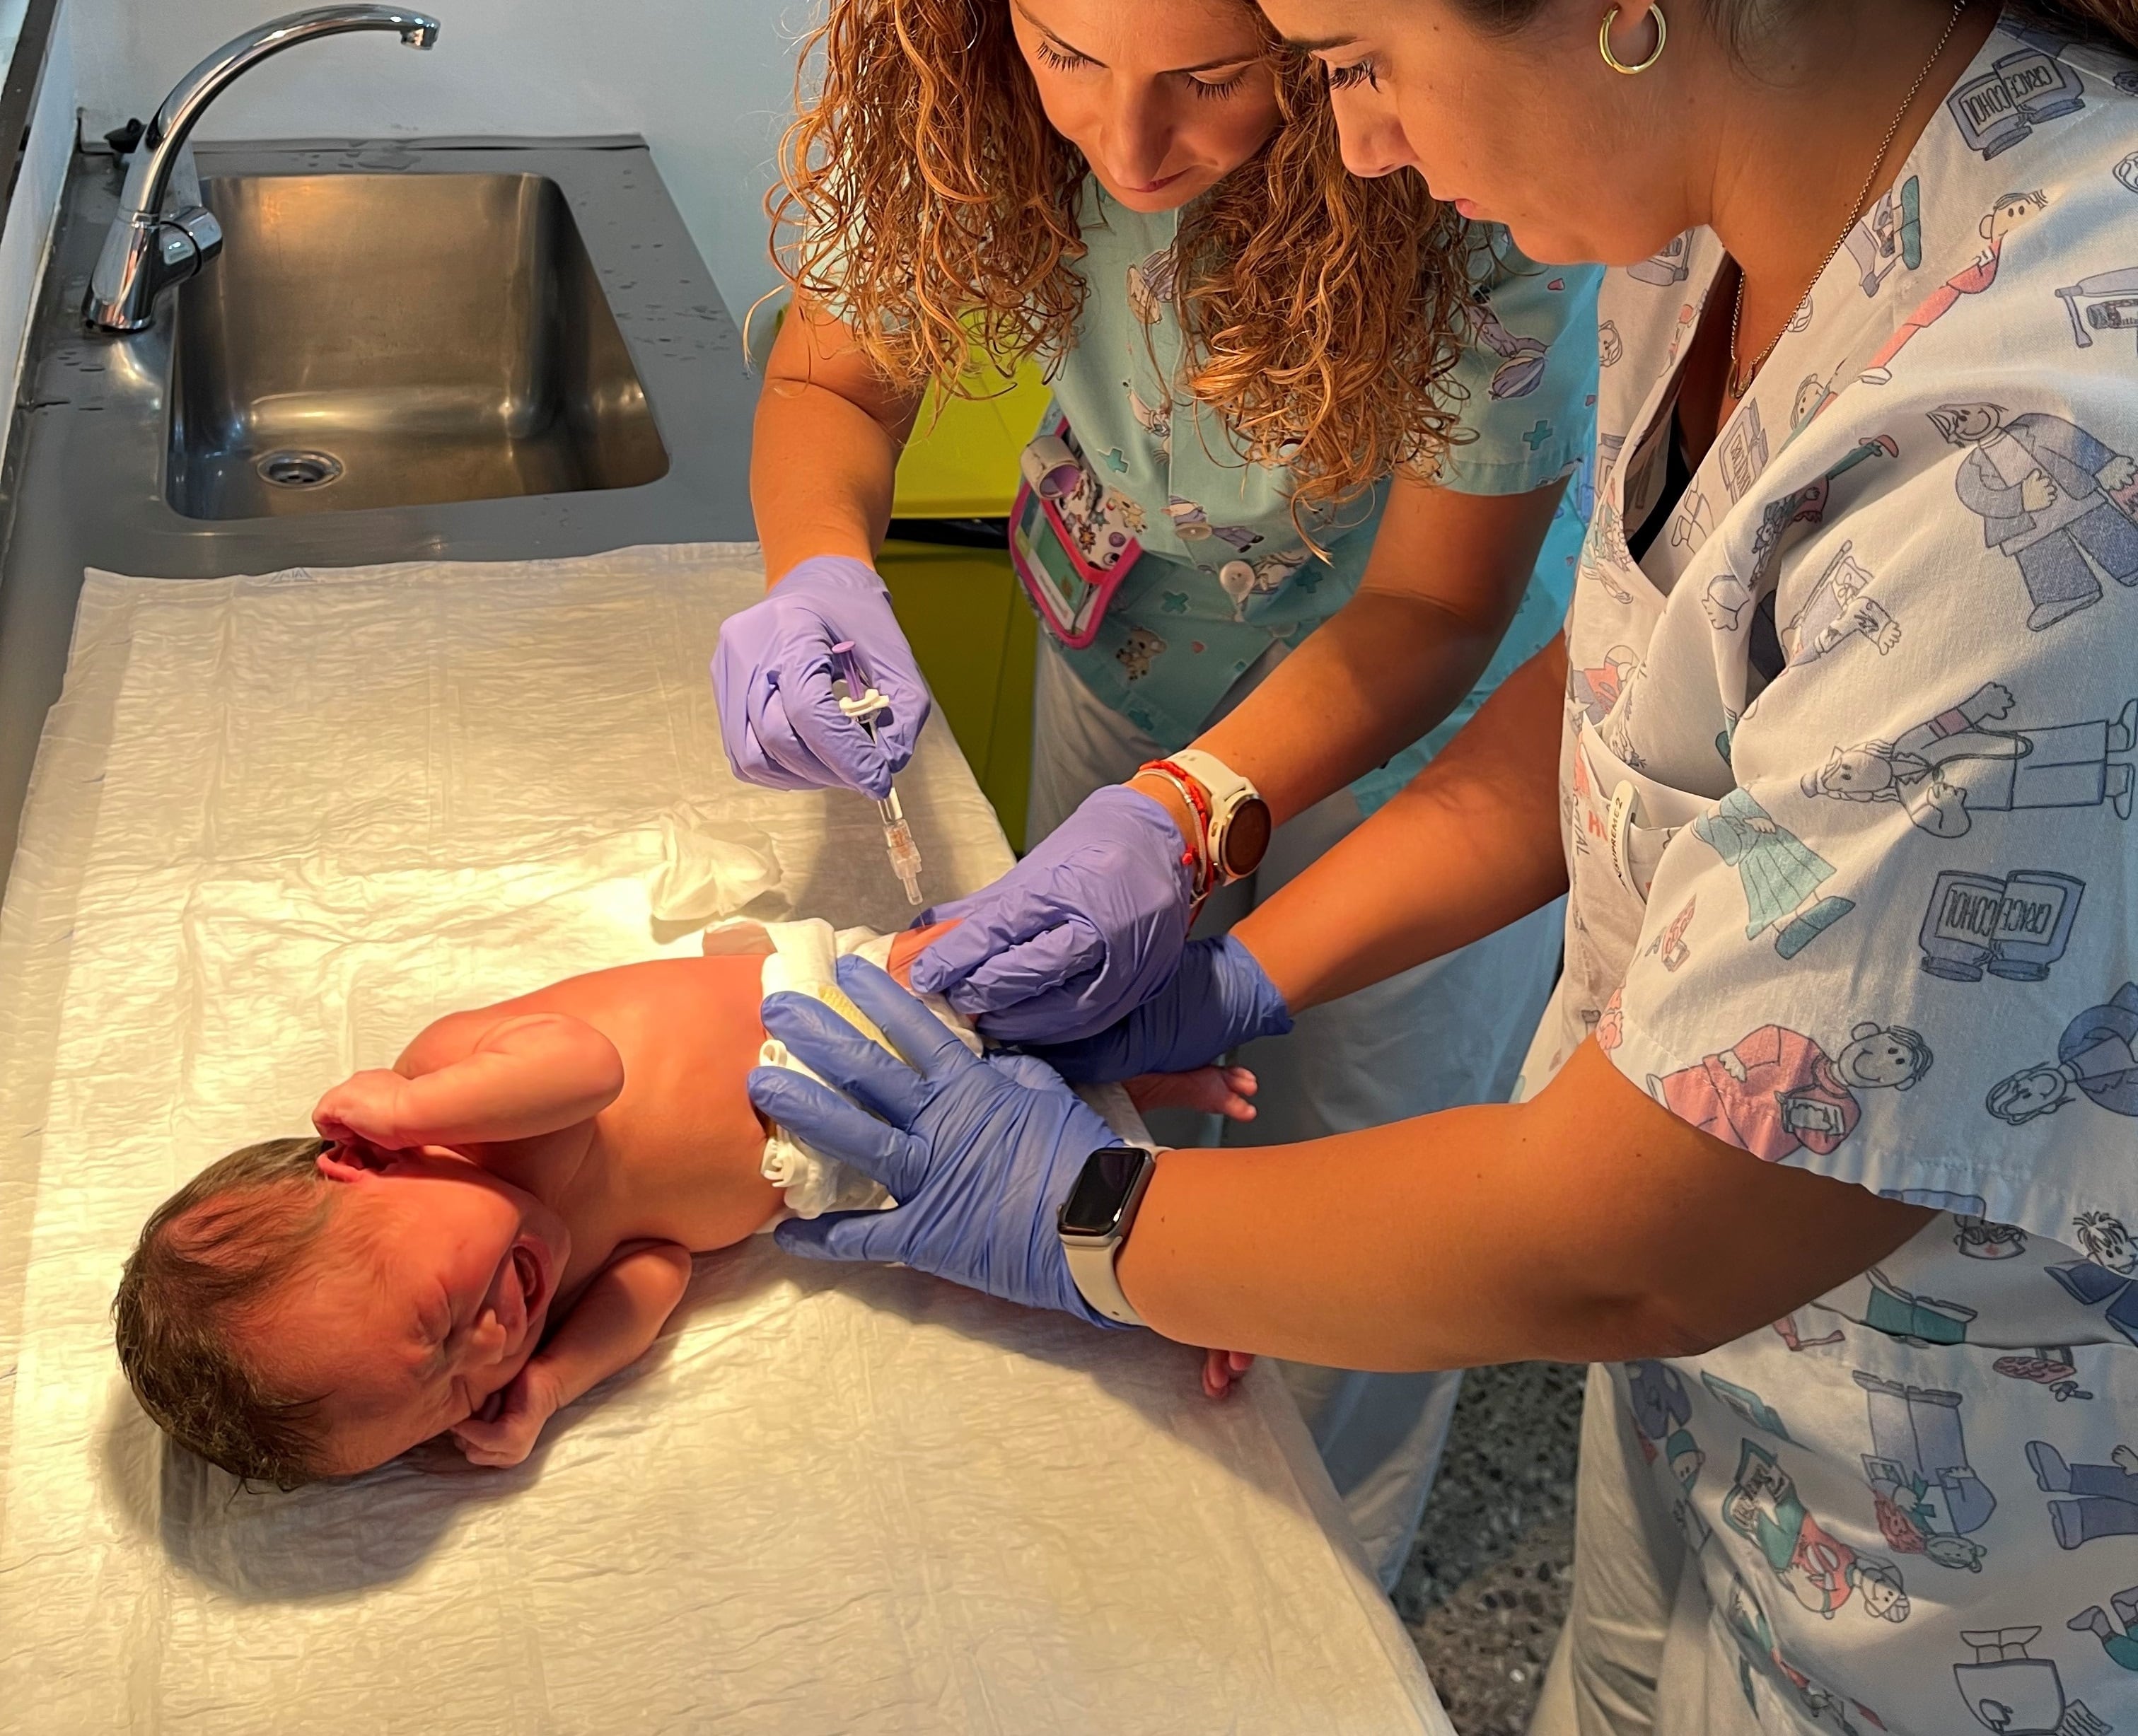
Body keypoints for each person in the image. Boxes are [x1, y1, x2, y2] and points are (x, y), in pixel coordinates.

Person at [741, 3, 2138, 1729]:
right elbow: (1634, 690)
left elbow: (1632, 1242)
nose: (1364, 145)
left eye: (1349, 56)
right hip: (1726, 1405)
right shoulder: (1725, 208)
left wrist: (1080, 1210)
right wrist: (1237, 949)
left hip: (1979, 1539)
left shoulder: (2042, 456)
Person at [719, 0, 1600, 1583]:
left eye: (1211, 79)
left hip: (1416, 723)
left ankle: (1308, 1614)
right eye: (1066, 56)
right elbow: (837, 385)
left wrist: (1200, 808)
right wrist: (817, 575)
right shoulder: (969, 93)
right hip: (1123, 661)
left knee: (1364, 1208)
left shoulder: (1471, 145)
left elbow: (1432, 610)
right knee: (1095, 1111)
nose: (1129, 151)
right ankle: (1114, 1570)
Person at [110, 922, 1244, 1486]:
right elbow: (660, 1273)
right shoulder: (532, 1303)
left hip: (837, 1005)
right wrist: (554, 1384)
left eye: (434, 1322)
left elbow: (585, 1068)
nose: (489, 1343)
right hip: (854, 1163)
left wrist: (419, 1108)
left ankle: (1181, 1019)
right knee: (1050, 1215)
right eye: (446, 1398)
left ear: (357, 1163)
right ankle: (1214, 1245)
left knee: (1039, 977)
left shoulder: (451, 1098)